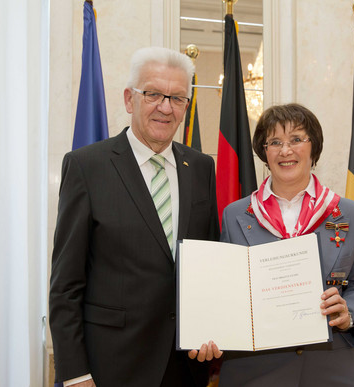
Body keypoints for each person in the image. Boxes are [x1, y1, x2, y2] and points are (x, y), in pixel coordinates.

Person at [49, 47, 221, 387]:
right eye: (153, 94)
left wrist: (213, 329)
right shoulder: (87, 167)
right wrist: (74, 375)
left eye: (177, 98)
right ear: (130, 99)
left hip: (185, 367)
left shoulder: (201, 167)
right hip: (110, 367)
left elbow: (209, 262)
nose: (165, 107)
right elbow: (65, 287)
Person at [218, 103, 354, 387]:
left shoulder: (352, 215)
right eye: (275, 142)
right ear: (264, 152)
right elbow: (225, 289)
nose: (286, 150)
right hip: (255, 369)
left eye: (296, 139)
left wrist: (348, 312)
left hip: (332, 369)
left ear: (313, 148)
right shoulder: (235, 215)